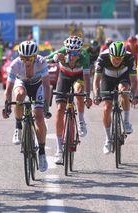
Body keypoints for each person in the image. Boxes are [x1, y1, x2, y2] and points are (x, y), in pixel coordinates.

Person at [2, 40, 51, 172]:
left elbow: (46, 86)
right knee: (19, 95)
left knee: (39, 117)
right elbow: (8, 89)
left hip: (37, 86)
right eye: (24, 58)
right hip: (22, 83)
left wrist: (46, 105)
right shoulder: (15, 64)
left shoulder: (41, 62)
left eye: (30, 58)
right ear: (20, 57)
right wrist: (7, 106)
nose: (27, 62)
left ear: (35, 56)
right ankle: (18, 126)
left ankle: (41, 153)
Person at [45, 36, 92, 164]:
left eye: (76, 53)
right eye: (70, 53)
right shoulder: (61, 52)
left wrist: (87, 96)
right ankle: (59, 151)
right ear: (66, 51)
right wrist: (54, 59)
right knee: (60, 109)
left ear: (80, 51)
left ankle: (81, 121)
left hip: (79, 76)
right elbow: (44, 60)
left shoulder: (84, 56)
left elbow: (87, 78)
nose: (72, 56)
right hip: (64, 76)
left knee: (78, 91)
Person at [93, 41, 136, 154]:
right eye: (114, 58)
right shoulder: (102, 56)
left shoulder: (129, 57)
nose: (117, 61)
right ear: (110, 55)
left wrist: (135, 94)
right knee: (107, 107)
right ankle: (108, 139)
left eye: (119, 58)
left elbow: (134, 80)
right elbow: (96, 80)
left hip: (123, 77)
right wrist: (96, 95)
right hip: (107, 79)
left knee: (124, 91)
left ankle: (126, 122)